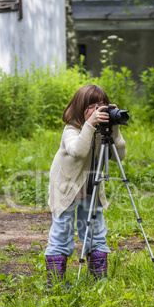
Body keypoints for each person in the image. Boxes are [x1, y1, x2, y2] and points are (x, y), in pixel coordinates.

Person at [44, 84, 127, 287]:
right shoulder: (71, 130)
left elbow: (121, 155)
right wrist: (90, 125)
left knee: (95, 231)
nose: (97, 110)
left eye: (102, 105)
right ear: (80, 109)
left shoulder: (102, 130)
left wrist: (114, 125)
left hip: (91, 187)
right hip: (66, 188)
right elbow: (79, 151)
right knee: (62, 231)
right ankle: (55, 282)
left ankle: (99, 279)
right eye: (92, 106)